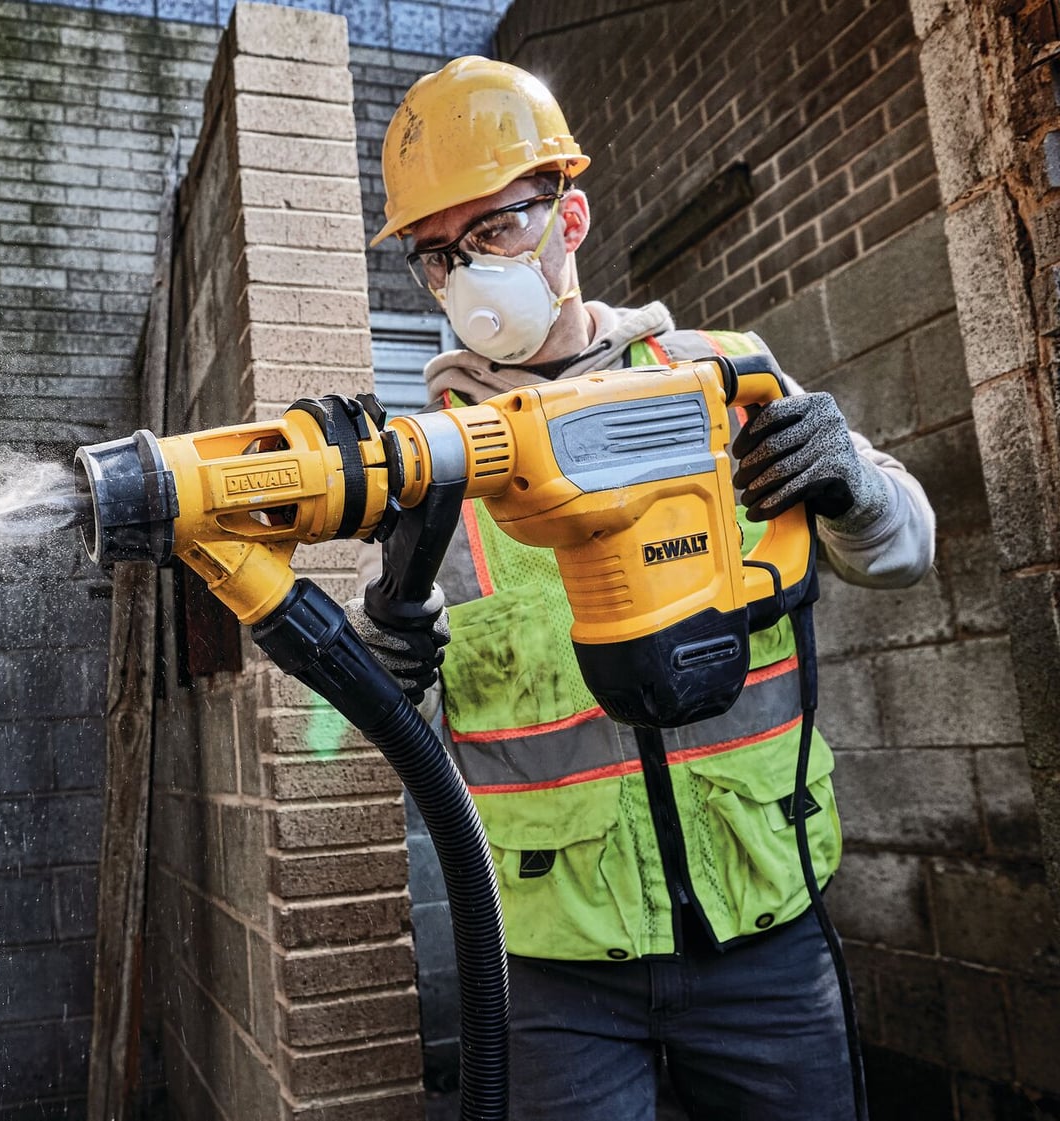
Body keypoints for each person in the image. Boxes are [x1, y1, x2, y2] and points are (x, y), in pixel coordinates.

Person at [348, 57, 935, 1121]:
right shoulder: (428, 468)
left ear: (569, 217)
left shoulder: (725, 377)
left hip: (769, 929)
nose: (469, 273)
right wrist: (376, 667)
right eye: (439, 253)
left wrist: (848, 478)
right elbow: (377, 720)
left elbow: (903, 550)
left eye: (498, 228)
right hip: (560, 970)